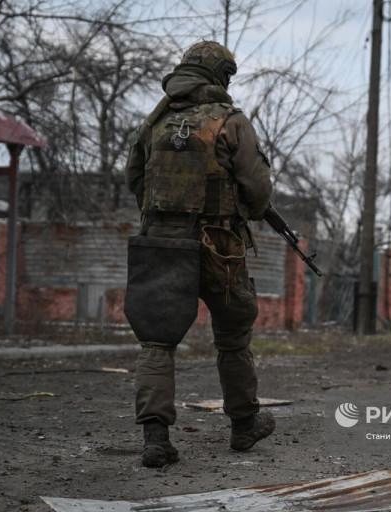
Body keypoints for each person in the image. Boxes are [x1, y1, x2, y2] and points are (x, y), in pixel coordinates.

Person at [124, 40, 275, 468]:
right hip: (218, 245)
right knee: (233, 336)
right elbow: (257, 188)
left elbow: (135, 177)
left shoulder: (155, 121)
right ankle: (244, 425)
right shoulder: (230, 121)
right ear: (220, 75)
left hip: (162, 243)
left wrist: (163, 218)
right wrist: (243, 210)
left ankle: (156, 439)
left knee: (157, 340)